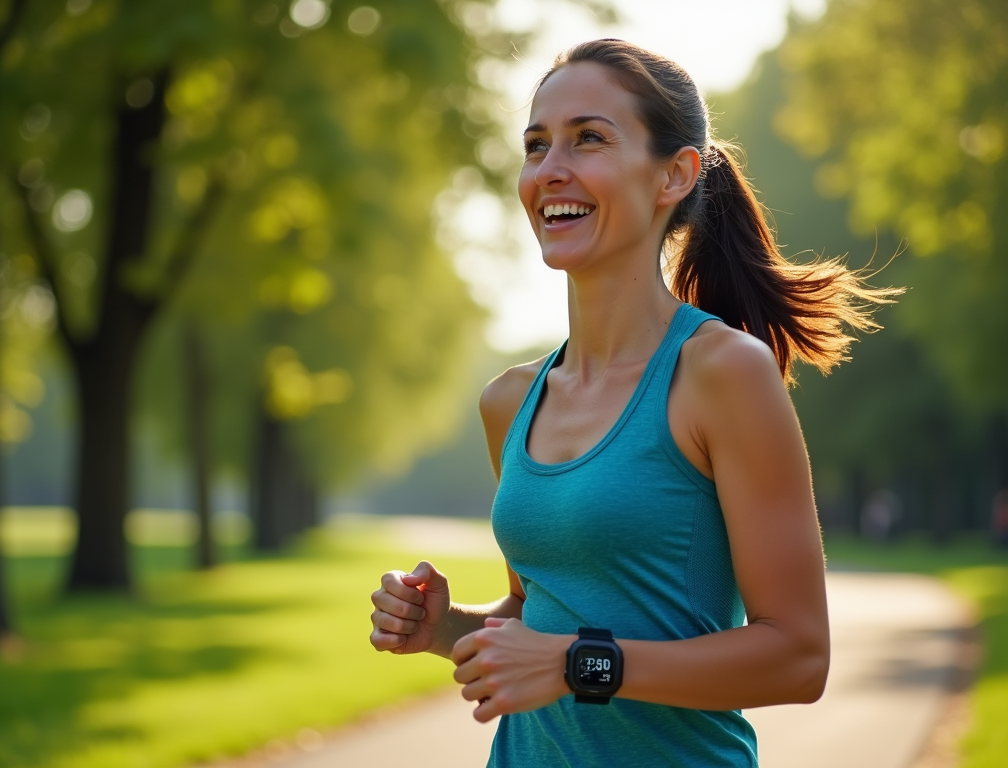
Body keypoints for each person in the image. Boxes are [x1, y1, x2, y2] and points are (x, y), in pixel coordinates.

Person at [370, 39, 897, 766]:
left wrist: (573, 665)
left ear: (674, 175)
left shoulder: (723, 374)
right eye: (535, 145)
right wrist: (444, 628)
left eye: (588, 138)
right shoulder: (511, 401)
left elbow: (798, 658)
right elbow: (538, 616)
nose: (550, 168)